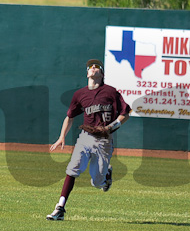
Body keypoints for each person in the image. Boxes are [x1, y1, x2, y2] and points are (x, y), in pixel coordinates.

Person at [47, 58, 131, 221]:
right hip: (85, 137)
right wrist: (61, 136)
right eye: (90, 67)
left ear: (102, 73)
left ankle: (106, 176)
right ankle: (60, 208)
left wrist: (110, 127)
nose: (93, 68)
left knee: (96, 181)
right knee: (72, 169)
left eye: (97, 66)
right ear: (87, 73)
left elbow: (125, 113)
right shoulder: (80, 94)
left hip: (104, 140)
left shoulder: (111, 92)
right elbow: (69, 116)